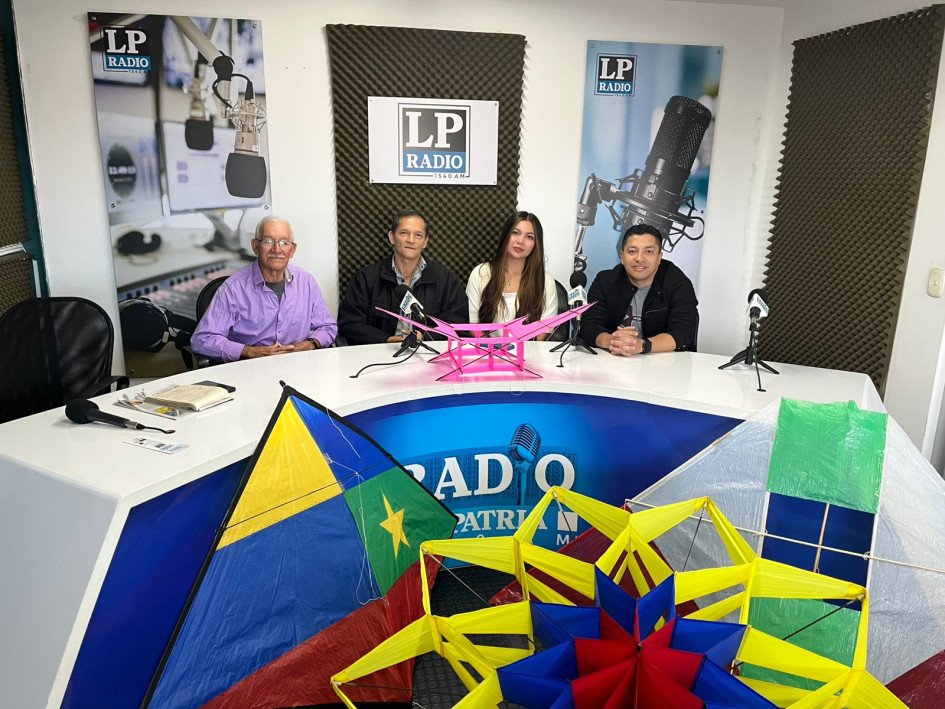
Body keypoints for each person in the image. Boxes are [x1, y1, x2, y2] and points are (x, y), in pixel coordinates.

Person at [191, 216, 337, 361]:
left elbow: (328, 327)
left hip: (299, 367)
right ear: (255, 246)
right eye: (268, 241)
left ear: (292, 250)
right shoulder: (232, 289)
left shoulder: (306, 282)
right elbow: (202, 340)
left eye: (284, 242)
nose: (277, 249)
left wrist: (309, 345)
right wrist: (249, 351)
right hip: (250, 370)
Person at [338, 210, 468, 345]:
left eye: (418, 235)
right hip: (378, 354)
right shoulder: (365, 279)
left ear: (425, 242)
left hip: (426, 355)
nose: (411, 240)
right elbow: (349, 323)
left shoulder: (446, 280)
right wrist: (386, 340)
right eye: (404, 233)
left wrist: (424, 336)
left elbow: (458, 325)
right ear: (392, 237)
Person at [581, 223, 698, 356]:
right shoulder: (605, 281)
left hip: (665, 365)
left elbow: (684, 332)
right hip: (615, 362)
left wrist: (642, 345)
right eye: (632, 251)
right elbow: (588, 326)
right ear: (622, 256)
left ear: (659, 257)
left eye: (648, 252)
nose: (639, 258)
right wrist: (611, 341)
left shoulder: (678, 283)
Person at [466, 211, 557, 339]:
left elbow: (544, 331)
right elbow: (474, 324)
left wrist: (521, 355)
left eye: (529, 237)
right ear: (506, 235)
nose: (520, 241)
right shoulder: (480, 273)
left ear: (535, 245)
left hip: (529, 355)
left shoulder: (545, 281)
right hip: (488, 354)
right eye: (515, 233)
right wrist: (494, 352)